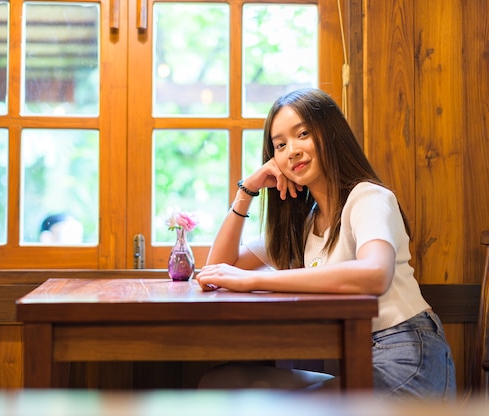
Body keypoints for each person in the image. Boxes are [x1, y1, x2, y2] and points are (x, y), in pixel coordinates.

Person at [195, 88, 456, 400]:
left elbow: (374, 274)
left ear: (331, 133)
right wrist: (247, 190)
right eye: (280, 144)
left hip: (409, 356)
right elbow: (220, 269)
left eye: (303, 133)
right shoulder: (305, 223)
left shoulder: (368, 197)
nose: (291, 150)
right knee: (221, 383)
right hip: (355, 358)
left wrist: (254, 280)